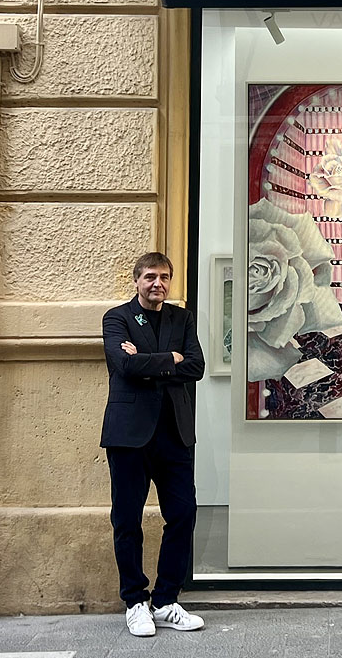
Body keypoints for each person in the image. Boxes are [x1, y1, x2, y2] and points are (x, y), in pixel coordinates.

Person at [101, 252, 206, 636]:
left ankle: (165, 600)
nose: (157, 283)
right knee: (127, 520)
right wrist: (169, 360)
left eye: (163, 277)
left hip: (174, 435)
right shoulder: (117, 318)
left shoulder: (182, 318)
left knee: (183, 514)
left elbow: (196, 366)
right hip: (129, 436)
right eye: (149, 277)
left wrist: (149, 359)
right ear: (136, 281)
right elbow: (123, 365)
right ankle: (135, 601)